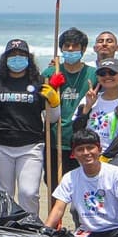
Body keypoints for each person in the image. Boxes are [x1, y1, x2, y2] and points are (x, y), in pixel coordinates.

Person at [44, 131, 118, 237]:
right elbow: (58, 209)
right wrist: (45, 231)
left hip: (116, 230)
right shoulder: (70, 177)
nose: (86, 153)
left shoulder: (117, 173)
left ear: (99, 149)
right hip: (87, 233)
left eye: (90, 148)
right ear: (73, 154)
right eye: (80, 149)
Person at [0, 38, 45, 218]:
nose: (17, 59)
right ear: (5, 59)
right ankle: (5, 230)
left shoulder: (39, 82)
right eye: (13, 55)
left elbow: (52, 117)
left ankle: (31, 230)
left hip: (31, 146)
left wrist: (54, 102)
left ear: (29, 58)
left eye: (21, 55)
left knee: (29, 193)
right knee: (3, 195)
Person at [74, 60, 118, 177]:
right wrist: (87, 107)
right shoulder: (90, 98)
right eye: (102, 73)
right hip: (89, 157)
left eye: (112, 73)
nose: (107, 76)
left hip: (117, 159)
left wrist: (105, 157)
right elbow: (77, 130)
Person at [44, 27, 95, 179]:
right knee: (53, 182)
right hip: (55, 138)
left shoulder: (93, 74)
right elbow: (39, 102)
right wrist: (52, 86)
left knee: (82, 183)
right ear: (61, 48)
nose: (70, 49)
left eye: (75, 46)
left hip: (81, 139)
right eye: (67, 46)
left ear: (83, 49)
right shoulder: (50, 73)